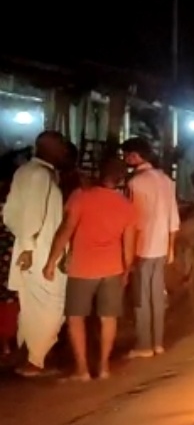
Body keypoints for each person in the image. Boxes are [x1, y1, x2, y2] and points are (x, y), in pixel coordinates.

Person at [43, 157, 136, 381]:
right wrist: (126, 271)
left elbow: (66, 229)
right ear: (121, 179)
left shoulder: (81, 196)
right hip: (113, 268)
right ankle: (104, 367)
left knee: (76, 318)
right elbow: (129, 245)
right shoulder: (126, 206)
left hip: (82, 268)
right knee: (108, 318)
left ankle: (82, 370)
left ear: (99, 173)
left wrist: (51, 261)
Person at [3, 131, 69, 377]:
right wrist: (30, 247)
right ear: (48, 148)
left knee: (32, 306)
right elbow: (33, 215)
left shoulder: (25, 171)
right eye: (61, 146)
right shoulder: (40, 175)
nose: (64, 151)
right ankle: (36, 361)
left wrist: (23, 243)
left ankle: (29, 355)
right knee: (50, 306)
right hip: (41, 252)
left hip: (29, 248)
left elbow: (10, 215)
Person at [122, 137, 181, 357]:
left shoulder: (135, 183)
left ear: (135, 156)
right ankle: (158, 343)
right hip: (162, 246)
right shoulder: (165, 179)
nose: (125, 159)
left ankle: (144, 345)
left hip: (142, 246)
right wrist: (171, 247)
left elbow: (133, 220)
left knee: (141, 298)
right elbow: (173, 217)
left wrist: (128, 253)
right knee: (157, 296)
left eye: (127, 155)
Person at [0, 176, 18, 360]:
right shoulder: (15, 211)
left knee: (7, 302)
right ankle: (6, 343)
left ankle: (5, 343)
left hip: (7, 263)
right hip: (9, 263)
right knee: (9, 301)